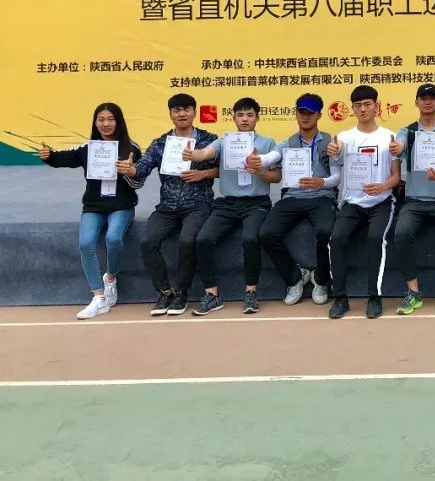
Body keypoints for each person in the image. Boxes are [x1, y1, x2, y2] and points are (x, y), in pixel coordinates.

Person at [38, 103, 143, 319]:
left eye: (110, 119)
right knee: (86, 243)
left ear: (119, 122)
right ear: (95, 123)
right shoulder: (88, 147)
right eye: (101, 119)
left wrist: (129, 172)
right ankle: (98, 297)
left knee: (113, 238)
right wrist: (49, 156)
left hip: (122, 206)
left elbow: (139, 181)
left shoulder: (132, 148)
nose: (106, 124)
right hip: (94, 207)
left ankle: (110, 278)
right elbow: (64, 158)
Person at [117, 93, 217, 316]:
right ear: (170, 114)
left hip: (198, 204)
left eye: (186, 109)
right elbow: (143, 167)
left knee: (187, 240)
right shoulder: (161, 143)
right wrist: (130, 169)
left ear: (194, 112)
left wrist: (204, 174)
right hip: (167, 206)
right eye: (176, 110)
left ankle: (181, 293)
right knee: (147, 242)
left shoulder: (209, 140)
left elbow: (225, 168)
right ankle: (164, 292)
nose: (181, 114)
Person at [185, 98, 280, 316]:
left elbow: (276, 177)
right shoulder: (223, 142)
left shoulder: (268, 143)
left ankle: (251, 292)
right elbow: (205, 153)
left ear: (258, 117)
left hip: (257, 202)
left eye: (250, 115)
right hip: (227, 204)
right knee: (203, 239)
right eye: (240, 115)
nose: (245, 119)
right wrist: (193, 154)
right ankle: (212, 294)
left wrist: (260, 171)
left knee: (250, 239)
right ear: (234, 118)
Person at [254, 94, 338, 307]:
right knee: (266, 233)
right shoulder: (288, 142)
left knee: (327, 232)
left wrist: (321, 182)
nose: (305, 116)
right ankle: (295, 277)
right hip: (292, 196)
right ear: (296, 114)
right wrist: (257, 160)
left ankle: (321, 279)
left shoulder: (330, 143)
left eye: (310, 113)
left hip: (321, 196)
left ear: (319, 115)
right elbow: (271, 157)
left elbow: (337, 177)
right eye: (302, 112)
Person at [325, 85, 400, 319]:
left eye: (367, 104)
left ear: (376, 107)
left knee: (376, 239)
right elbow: (336, 156)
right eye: (358, 105)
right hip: (352, 202)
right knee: (336, 239)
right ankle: (340, 298)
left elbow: (396, 177)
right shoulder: (343, 138)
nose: (363, 109)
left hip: (381, 201)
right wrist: (334, 150)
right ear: (353, 109)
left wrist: (383, 186)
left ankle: (374, 297)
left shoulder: (389, 137)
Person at [390, 84, 435, 315]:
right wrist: (397, 147)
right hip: (414, 200)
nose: (428, 102)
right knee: (401, 233)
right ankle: (413, 292)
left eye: (432, 98)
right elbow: (399, 146)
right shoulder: (408, 131)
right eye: (423, 98)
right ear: (416, 102)